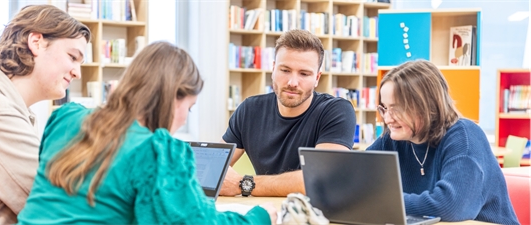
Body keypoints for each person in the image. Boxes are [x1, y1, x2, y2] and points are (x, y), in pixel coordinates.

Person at [17, 41, 277, 224]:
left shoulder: (65, 118)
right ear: (173, 98)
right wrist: (260, 217)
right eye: (190, 107)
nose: (186, 118)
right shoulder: (157, 150)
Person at [367, 60, 519, 224]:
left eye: (396, 108)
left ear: (426, 105)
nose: (388, 118)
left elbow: (450, 206)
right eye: (384, 108)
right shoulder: (393, 139)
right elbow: (351, 179)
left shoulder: (464, 136)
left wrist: (384, 201)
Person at [0, 5, 90, 224]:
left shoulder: (10, 106)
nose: (78, 73)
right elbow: (54, 205)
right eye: (72, 57)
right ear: (36, 42)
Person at [220, 29, 357, 197]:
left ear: (317, 78)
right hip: (267, 212)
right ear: (273, 69)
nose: (292, 82)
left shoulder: (336, 111)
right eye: (285, 70)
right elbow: (214, 169)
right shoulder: (249, 110)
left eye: (304, 74)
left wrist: (244, 184)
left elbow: (323, 179)